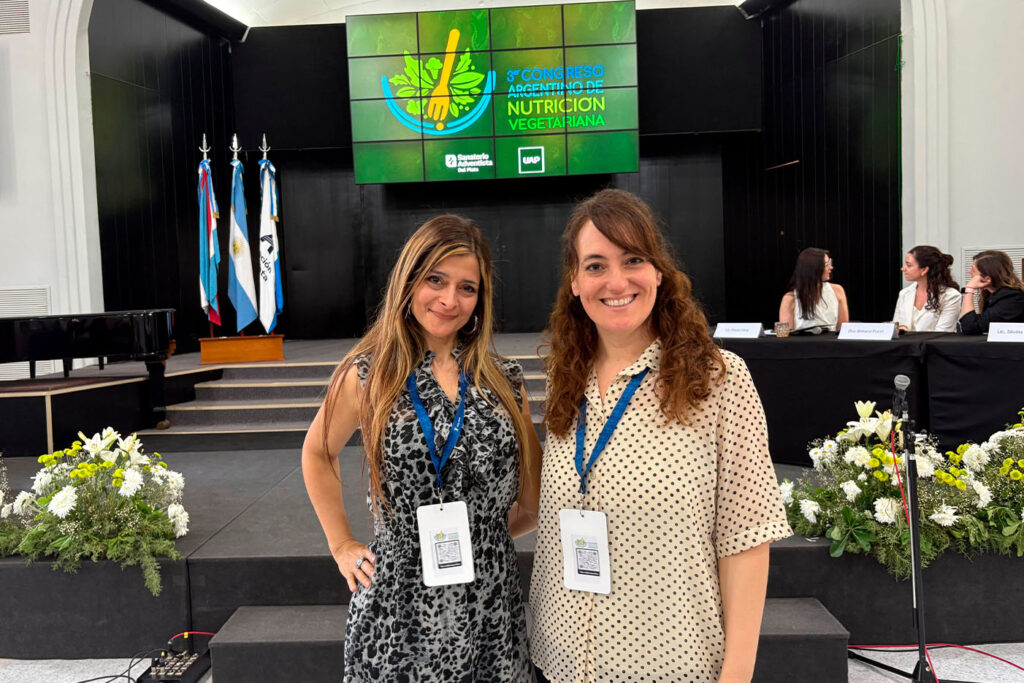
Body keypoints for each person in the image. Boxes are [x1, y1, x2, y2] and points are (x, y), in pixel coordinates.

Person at [529, 189, 792, 682]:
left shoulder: (718, 380)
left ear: (658, 273)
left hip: (667, 662)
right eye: (596, 265)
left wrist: (737, 674)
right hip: (558, 659)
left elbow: (746, 540)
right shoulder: (566, 376)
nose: (616, 281)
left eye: (633, 260)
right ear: (575, 282)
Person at [301, 215, 541, 681]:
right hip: (399, 606)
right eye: (435, 280)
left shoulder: (504, 381)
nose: (450, 300)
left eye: (467, 288)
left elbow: (532, 499)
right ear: (408, 281)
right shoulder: (368, 375)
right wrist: (342, 544)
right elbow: (317, 452)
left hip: (492, 609)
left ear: (481, 298)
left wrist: (477, 537)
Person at [778, 247, 849, 332]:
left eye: (830, 263)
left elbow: (844, 330)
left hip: (832, 340)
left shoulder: (837, 291)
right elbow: (785, 335)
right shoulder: (790, 299)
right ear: (813, 269)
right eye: (826, 265)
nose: (831, 267)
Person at [892, 245, 961, 332]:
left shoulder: (950, 296)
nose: (903, 269)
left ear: (924, 270)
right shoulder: (904, 293)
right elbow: (895, 330)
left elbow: (942, 334)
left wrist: (907, 333)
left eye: (909, 265)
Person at [958, 249, 1024, 334]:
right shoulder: (993, 295)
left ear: (987, 278)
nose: (969, 271)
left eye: (973, 270)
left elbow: (970, 327)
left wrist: (969, 289)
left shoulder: (1012, 298)